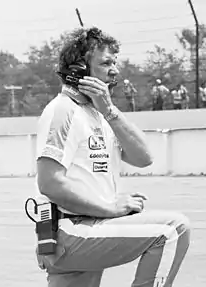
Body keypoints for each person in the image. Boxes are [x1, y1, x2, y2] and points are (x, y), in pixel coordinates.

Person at [35, 26, 190, 287]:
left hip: (81, 230)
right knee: (173, 229)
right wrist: (109, 208)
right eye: (106, 63)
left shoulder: (99, 114)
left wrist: (109, 110)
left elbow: (144, 157)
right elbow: (50, 183)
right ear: (78, 71)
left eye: (114, 62)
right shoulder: (63, 111)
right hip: (71, 231)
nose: (115, 70)